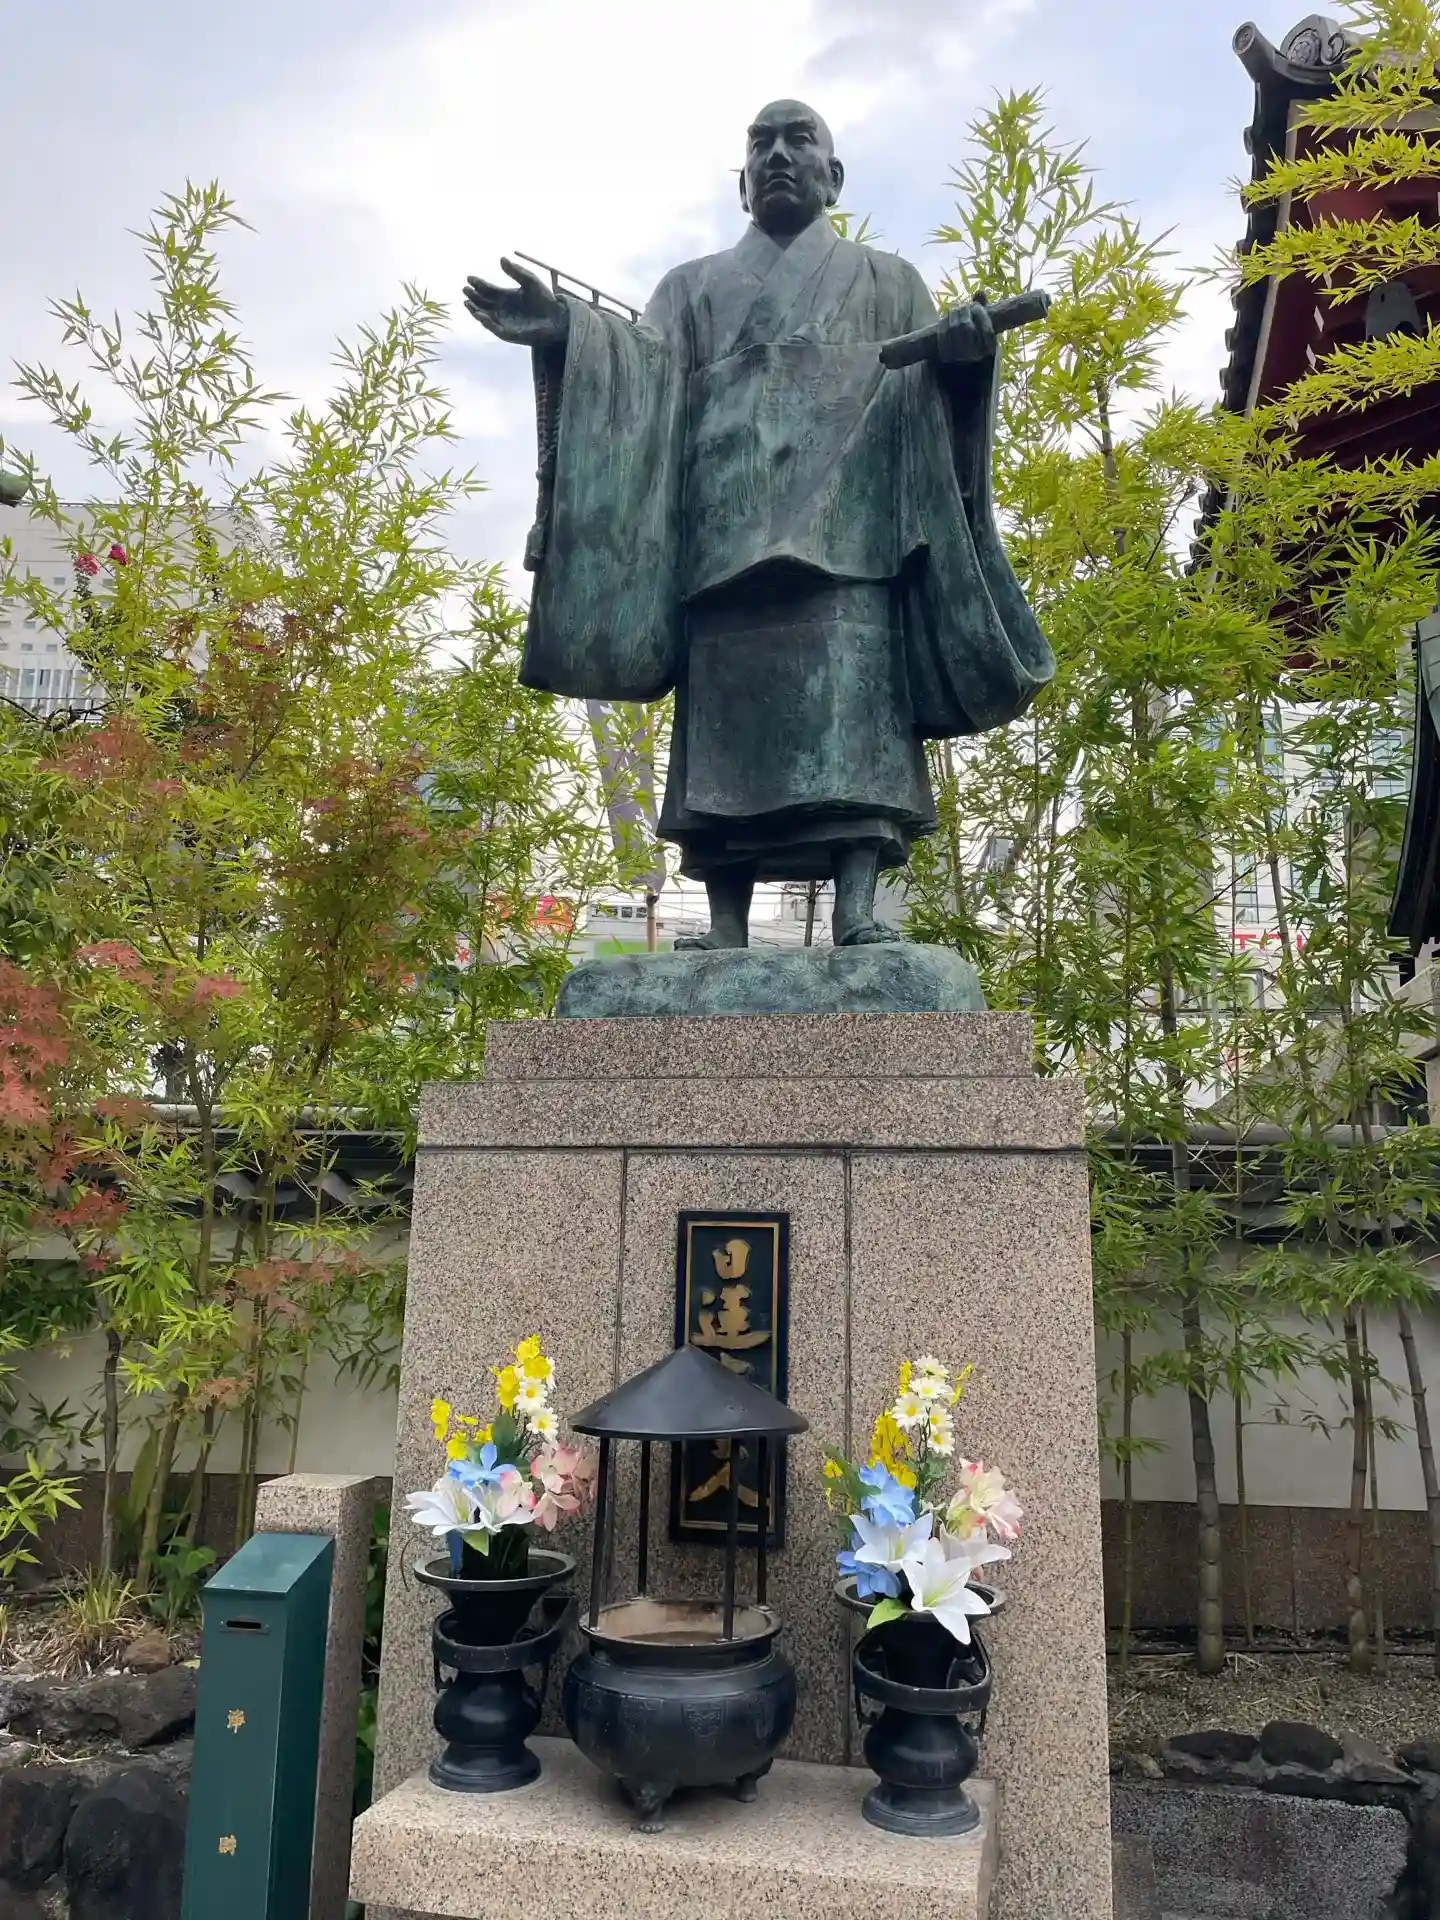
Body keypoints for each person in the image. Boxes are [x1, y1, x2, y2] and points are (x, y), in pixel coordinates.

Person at [465, 99, 1052, 948]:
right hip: (722, 540)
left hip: (849, 542)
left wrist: (965, 361)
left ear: (833, 177)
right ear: (741, 183)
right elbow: (643, 379)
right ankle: (726, 924)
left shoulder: (891, 284)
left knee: (853, 719)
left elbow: (932, 411)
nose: (777, 154)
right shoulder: (690, 290)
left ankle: (856, 909)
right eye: (760, 143)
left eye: (798, 139)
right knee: (725, 733)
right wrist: (570, 331)